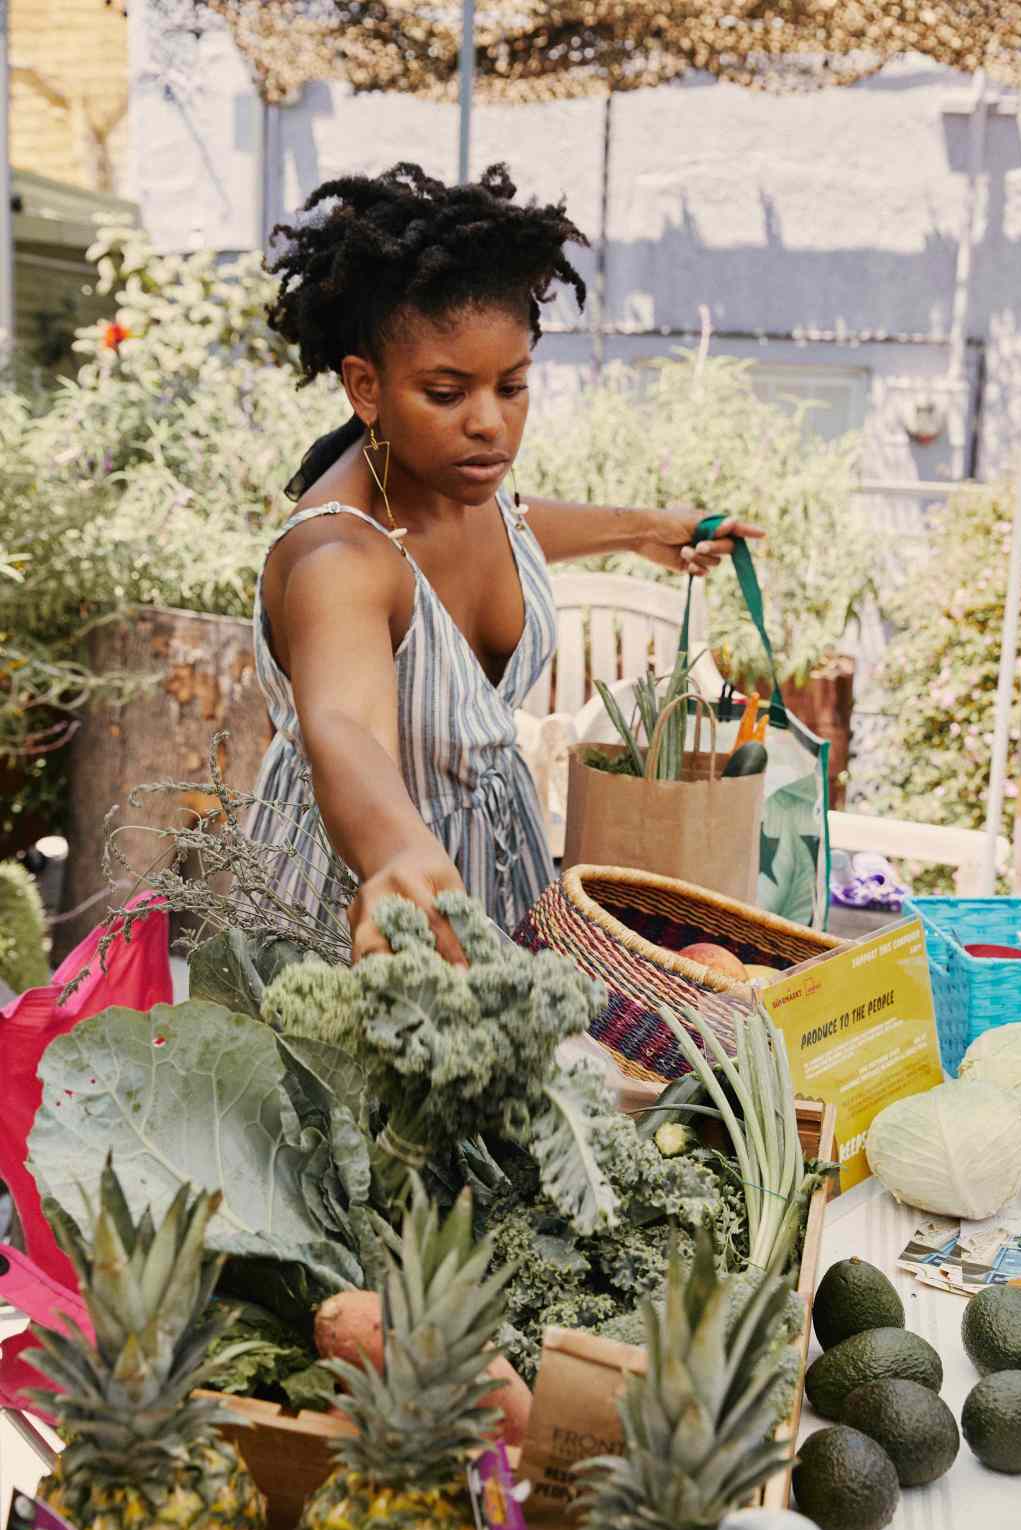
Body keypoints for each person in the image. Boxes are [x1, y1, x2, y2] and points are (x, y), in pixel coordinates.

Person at [250, 161, 762, 965]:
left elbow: (514, 525)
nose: (489, 423)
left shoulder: (458, 488)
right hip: (377, 910)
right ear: (365, 386)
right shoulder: (337, 557)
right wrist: (396, 853)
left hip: (499, 875)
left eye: (512, 386)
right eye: (447, 394)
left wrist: (640, 531)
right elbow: (343, 723)